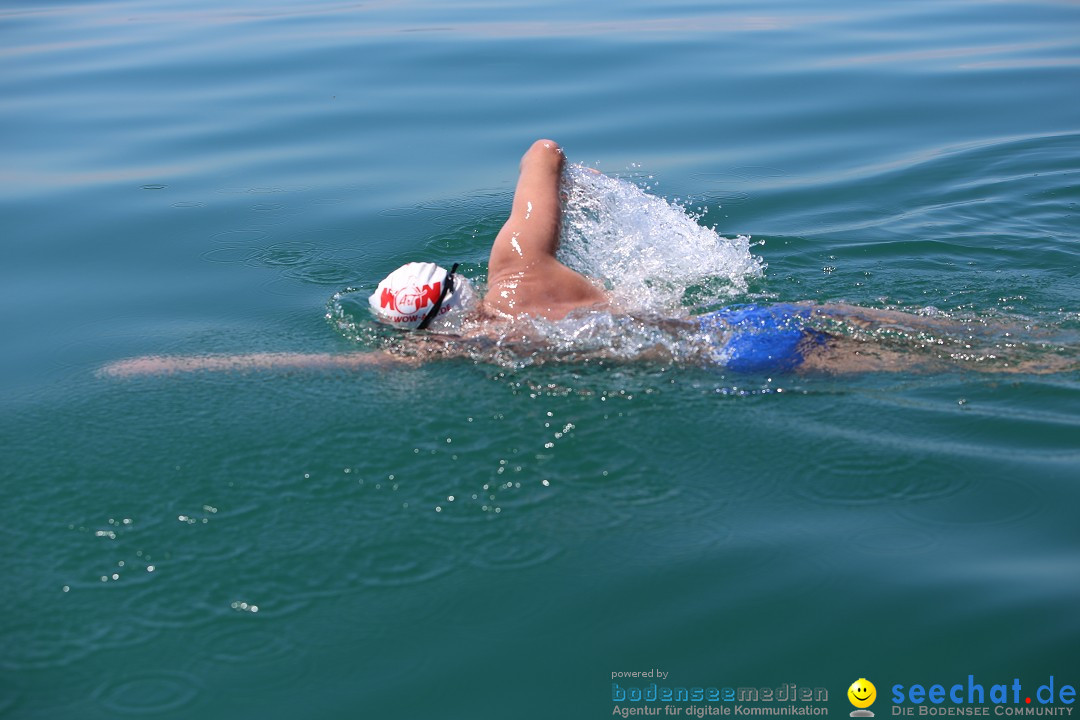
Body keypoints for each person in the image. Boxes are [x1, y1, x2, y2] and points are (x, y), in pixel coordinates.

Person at [103, 140, 1071, 378]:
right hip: (742, 320)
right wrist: (600, 199)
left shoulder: (468, 349)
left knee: (963, 369)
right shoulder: (519, 267)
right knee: (976, 334)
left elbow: (311, 366)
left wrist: (176, 363)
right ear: (456, 284)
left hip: (736, 365)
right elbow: (545, 154)